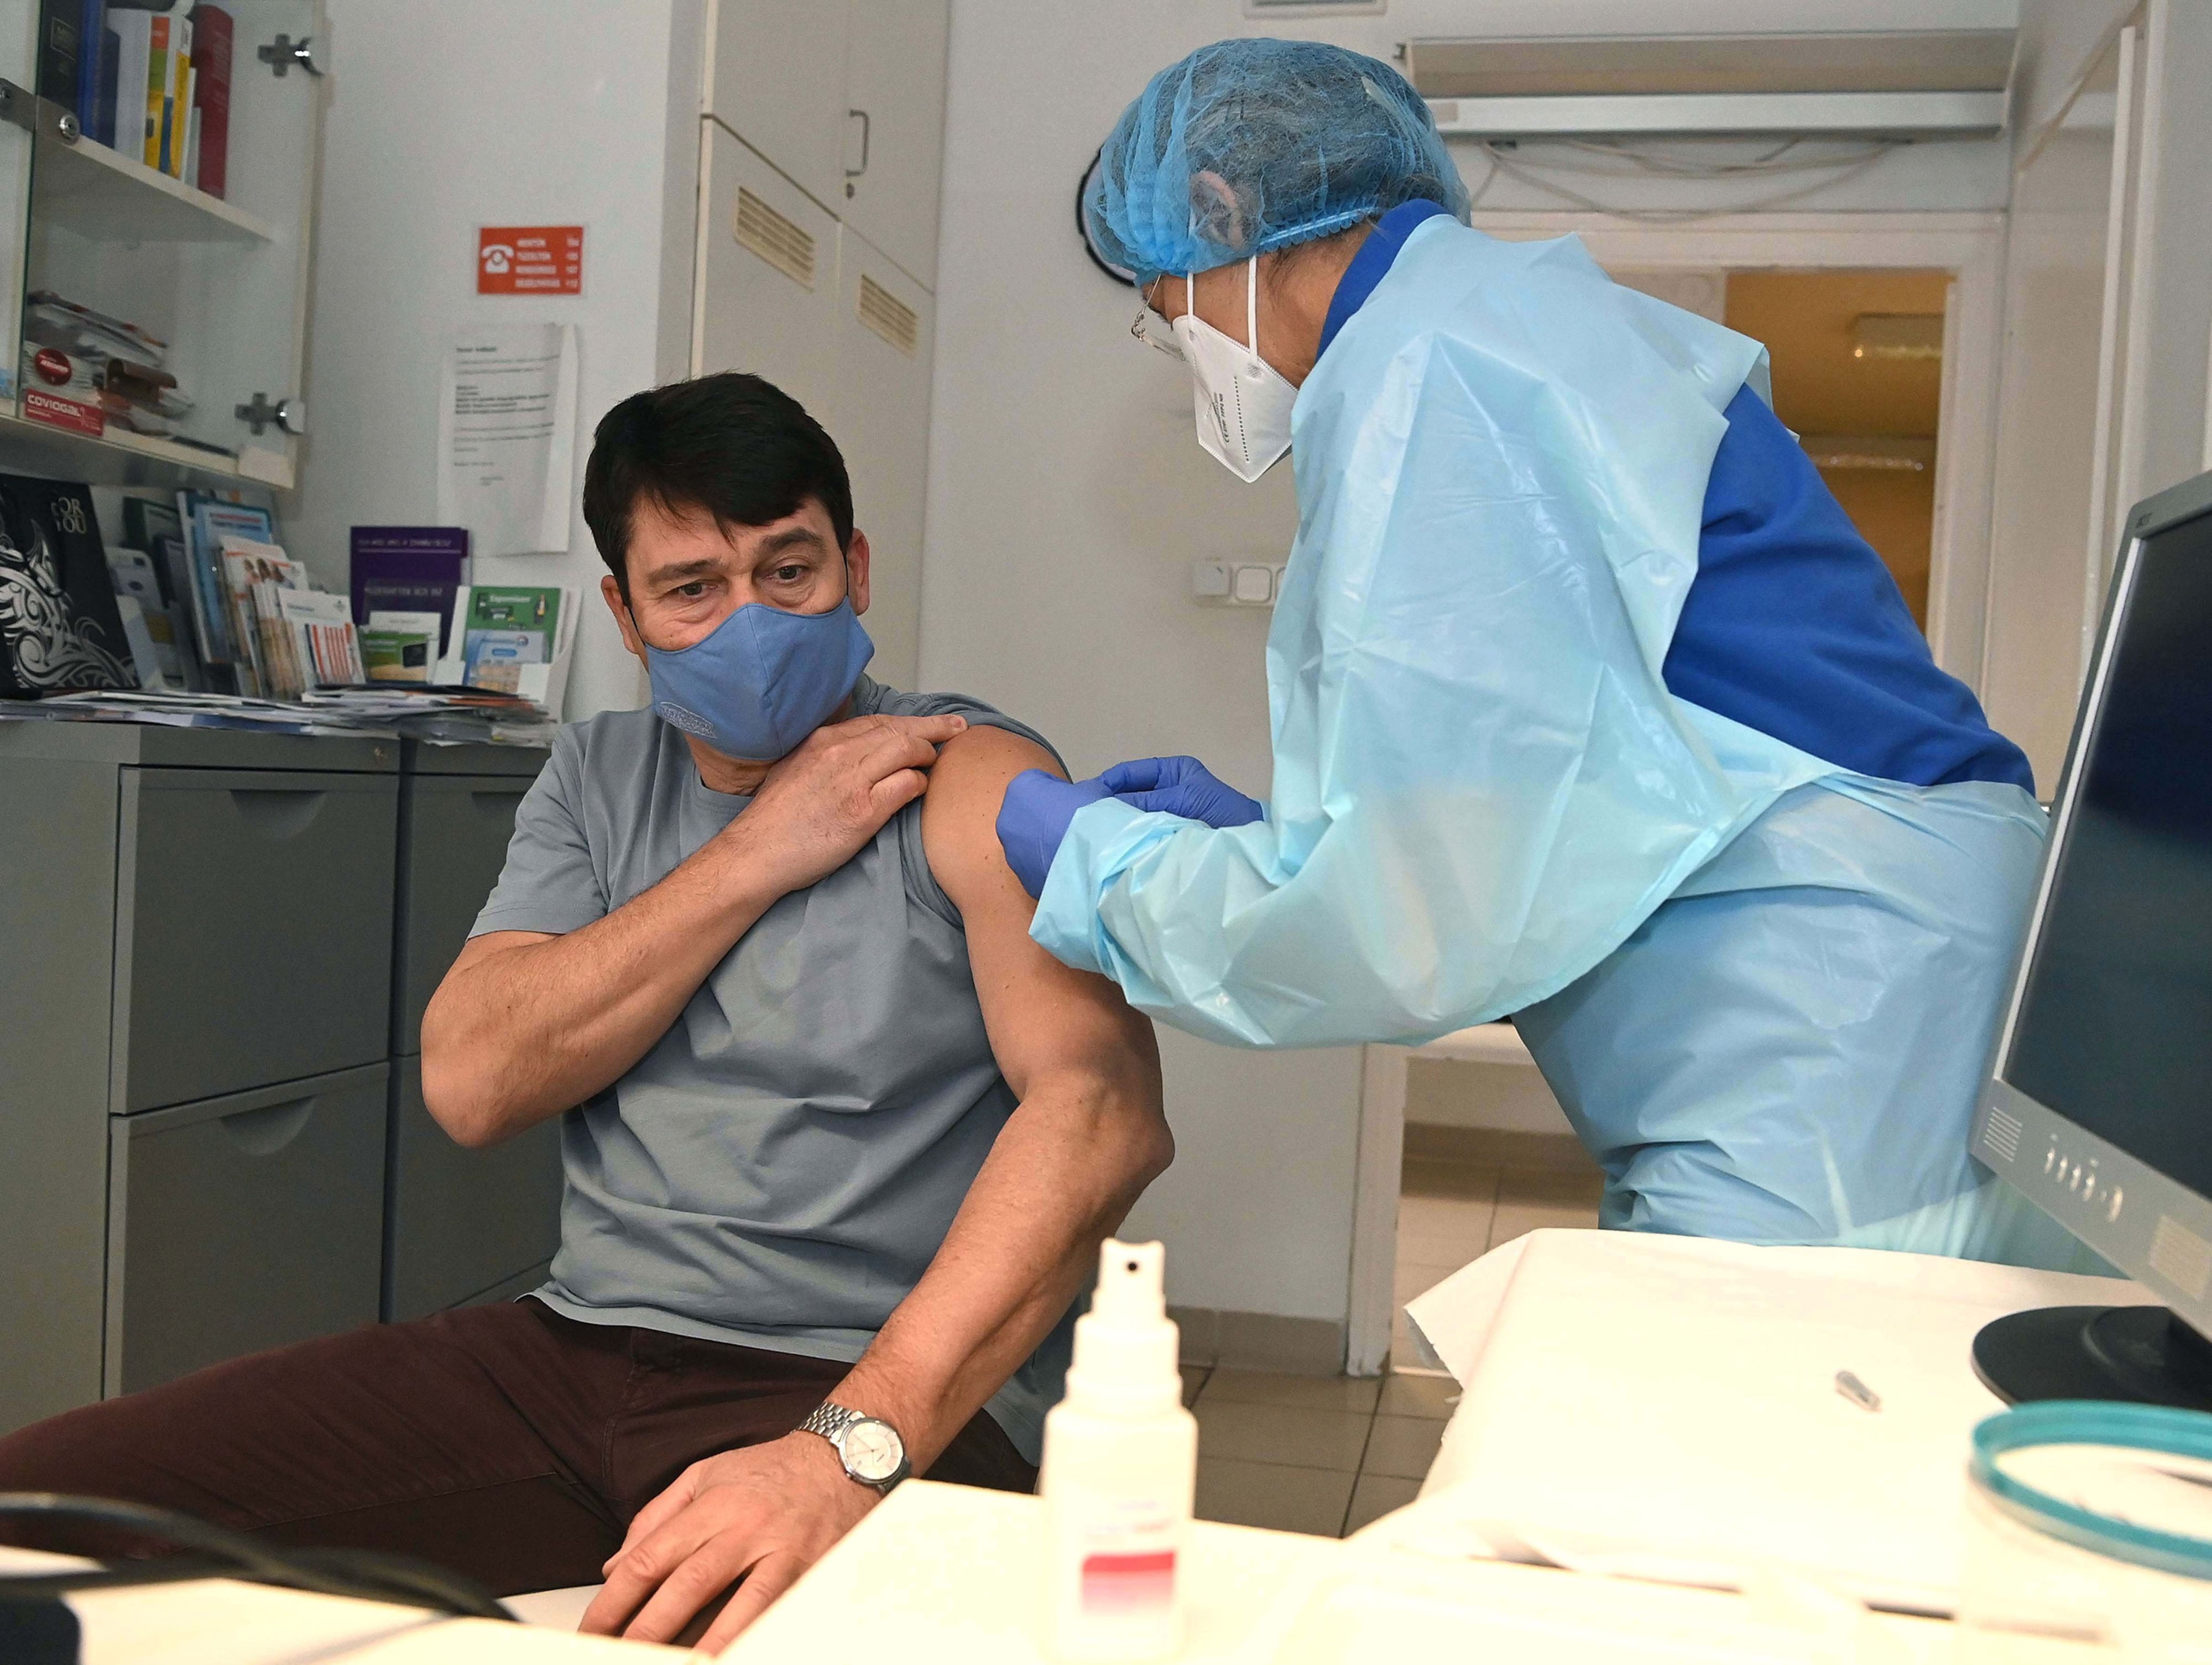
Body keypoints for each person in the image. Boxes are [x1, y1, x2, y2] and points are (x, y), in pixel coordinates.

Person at [0, 372, 1171, 1652]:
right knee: (39, 1522)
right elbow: (476, 1078)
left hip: (857, 1380)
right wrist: (760, 848)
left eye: (790, 570)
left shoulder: (966, 769)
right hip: (566, 1356)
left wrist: (845, 1450)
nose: (752, 619)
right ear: (624, 611)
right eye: (692, 589)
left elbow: (1099, 1113)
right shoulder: (598, 774)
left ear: (858, 567)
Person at [996, 38, 2094, 1269]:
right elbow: (1551, 800)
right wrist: (1292, 842)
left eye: (1163, 312)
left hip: (1835, 1012)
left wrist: (1100, 869)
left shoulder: (1425, 377)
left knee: (1753, 1433)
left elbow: (1409, 931)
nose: (1180, 352)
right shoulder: (1505, 325)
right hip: (1901, 961)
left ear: (1220, 215)